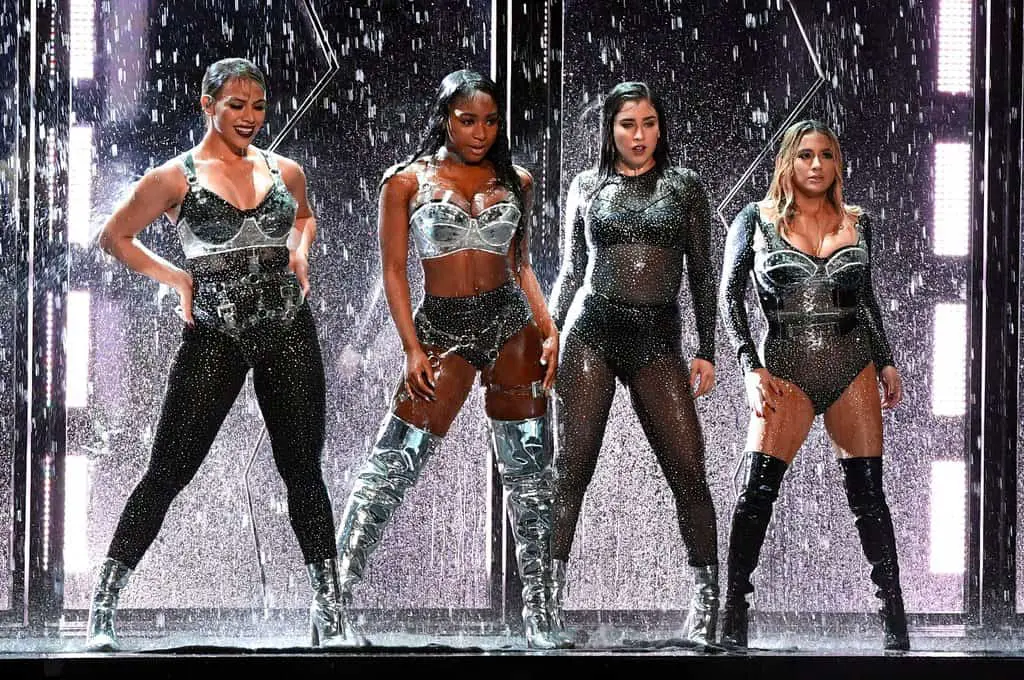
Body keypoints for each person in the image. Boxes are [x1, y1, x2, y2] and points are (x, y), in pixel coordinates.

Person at [87, 58, 349, 650]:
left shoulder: (285, 171)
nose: (250, 117)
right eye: (236, 106)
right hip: (215, 335)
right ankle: (102, 606)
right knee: (168, 470)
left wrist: (300, 250)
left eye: (258, 107)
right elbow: (114, 236)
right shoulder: (174, 177)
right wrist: (177, 278)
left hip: (287, 329)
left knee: (303, 471)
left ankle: (331, 614)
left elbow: (305, 218)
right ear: (207, 105)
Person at [333, 69, 569, 649]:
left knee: (531, 478)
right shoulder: (405, 182)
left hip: (510, 324)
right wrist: (410, 347)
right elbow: (393, 272)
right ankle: (333, 605)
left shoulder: (516, 180)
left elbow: (520, 264)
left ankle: (541, 617)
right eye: (467, 121)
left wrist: (549, 328)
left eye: (490, 121)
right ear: (444, 119)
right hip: (442, 326)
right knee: (391, 467)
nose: (480, 132)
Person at [717, 119, 909, 650]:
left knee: (869, 496)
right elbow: (729, 298)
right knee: (755, 494)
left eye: (826, 155)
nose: (817, 164)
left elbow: (865, 299)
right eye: (805, 155)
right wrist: (748, 367)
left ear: (837, 164)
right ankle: (733, 618)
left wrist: (886, 361)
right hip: (785, 367)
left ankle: (895, 623)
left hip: (851, 364)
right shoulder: (755, 219)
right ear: (788, 162)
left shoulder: (858, 221)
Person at [547, 81, 720, 646]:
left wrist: (707, 348)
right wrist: (550, 338)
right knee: (571, 470)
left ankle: (706, 605)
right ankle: (545, 604)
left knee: (688, 468)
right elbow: (571, 270)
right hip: (591, 330)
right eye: (627, 125)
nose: (639, 135)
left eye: (648, 123)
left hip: (656, 338)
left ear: (660, 127)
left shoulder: (684, 187)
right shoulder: (586, 185)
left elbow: (701, 272)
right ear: (610, 129)